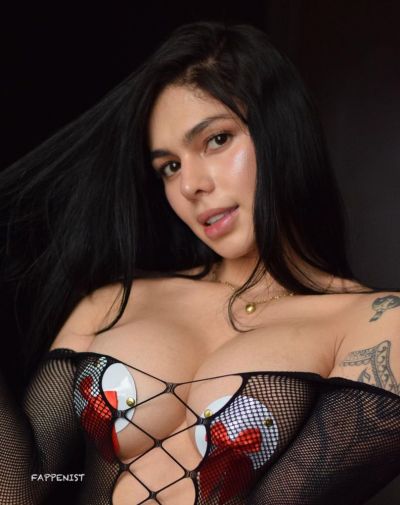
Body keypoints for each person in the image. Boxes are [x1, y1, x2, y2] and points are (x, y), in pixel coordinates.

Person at [1, 20, 400, 505]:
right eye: (169, 166)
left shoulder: (375, 325)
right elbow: (25, 487)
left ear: (280, 131)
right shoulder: (113, 301)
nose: (190, 185)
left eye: (215, 140)